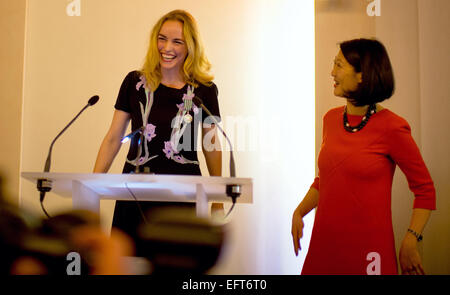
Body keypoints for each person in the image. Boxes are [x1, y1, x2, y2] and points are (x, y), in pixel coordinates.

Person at [291, 38, 436, 275]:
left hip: (370, 257)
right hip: (324, 248)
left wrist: (411, 239)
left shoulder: (392, 127)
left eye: (339, 65)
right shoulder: (330, 119)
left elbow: (425, 190)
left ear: (362, 75)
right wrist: (300, 211)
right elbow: (325, 180)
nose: (332, 72)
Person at [93, 10, 223, 256]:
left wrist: (217, 199)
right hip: (134, 193)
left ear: (190, 47)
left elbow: (212, 144)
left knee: (176, 263)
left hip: (182, 197)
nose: (167, 47)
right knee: (126, 265)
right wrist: (91, 187)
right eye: (162, 39)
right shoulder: (135, 82)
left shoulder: (204, 90)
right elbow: (113, 138)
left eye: (177, 41)